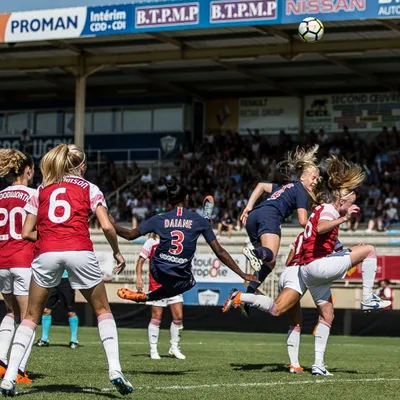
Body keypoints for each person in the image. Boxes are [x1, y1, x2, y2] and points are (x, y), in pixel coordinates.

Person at [0, 144, 133, 396]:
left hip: (47, 253)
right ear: (82, 166)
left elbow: (26, 233)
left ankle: (9, 377)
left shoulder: (41, 189)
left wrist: (52, 235)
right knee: (103, 311)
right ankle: (115, 370)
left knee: (29, 317)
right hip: (79, 249)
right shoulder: (90, 188)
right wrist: (116, 251)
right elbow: (106, 226)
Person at [299, 156, 391, 376]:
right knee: (370, 250)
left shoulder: (325, 210)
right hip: (317, 266)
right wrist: (344, 218)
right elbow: (321, 228)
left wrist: (351, 251)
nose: (353, 208)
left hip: (310, 270)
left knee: (327, 315)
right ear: (341, 202)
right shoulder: (331, 211)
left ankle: (318, 364)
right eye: (351, 204)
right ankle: (368, 299)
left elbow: (333, 246)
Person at [113, 180, 258, 304]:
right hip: (179, 273)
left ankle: (146, 296)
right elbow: (220, 252)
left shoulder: (158, 219)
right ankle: (147, 297)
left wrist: (109, 223)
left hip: (157, 270)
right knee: (189, 283)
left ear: (169, 201)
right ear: (187, 198)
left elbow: (130, 235)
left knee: (171, 282)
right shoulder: (198, 221)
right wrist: (242, 274)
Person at [239, 145, 320, 314]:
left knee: (269, 263)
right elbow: (303, 221)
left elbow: (261, 185)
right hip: (270, 216)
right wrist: (320, 227)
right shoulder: (301, 192)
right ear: (303, 177)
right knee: (271, 254)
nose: (315, 182)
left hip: (254, 216)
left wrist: (248, 207)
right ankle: (254, 253)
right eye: (313, 178)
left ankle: (247, 296)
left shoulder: (285, 187)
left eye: (317, 179)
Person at [0, 149, 36, 384]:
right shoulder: (34, 195)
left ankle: (1, 363)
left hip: (1, 260)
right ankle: (19, 369)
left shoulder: (0, 195)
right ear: (28, 171)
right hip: (23, 259)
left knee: (10, 313)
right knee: (28, 317)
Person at [136, 233, 186, 360]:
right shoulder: (151, 242)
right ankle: (153, 349)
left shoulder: (173, 240)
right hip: (156, 284)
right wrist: (139, 278)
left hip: (173, 284)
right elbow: (140, 261)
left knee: (178, 317)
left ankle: (174, 347)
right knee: (156, 317)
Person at [35, 270, 80, 349]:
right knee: (46, 310)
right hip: (52, 280)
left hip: (66, 280)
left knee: (71, 311)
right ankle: (44, 339)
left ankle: (74, 340)